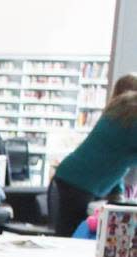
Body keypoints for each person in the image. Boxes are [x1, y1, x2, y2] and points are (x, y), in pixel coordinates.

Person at [52, 74, 137, 237]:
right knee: (71, 238)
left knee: (71, 234)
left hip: (73, 176)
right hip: (79, 182)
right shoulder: (132, 118)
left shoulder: (123, 110)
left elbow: (113, 154)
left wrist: (116, 192)